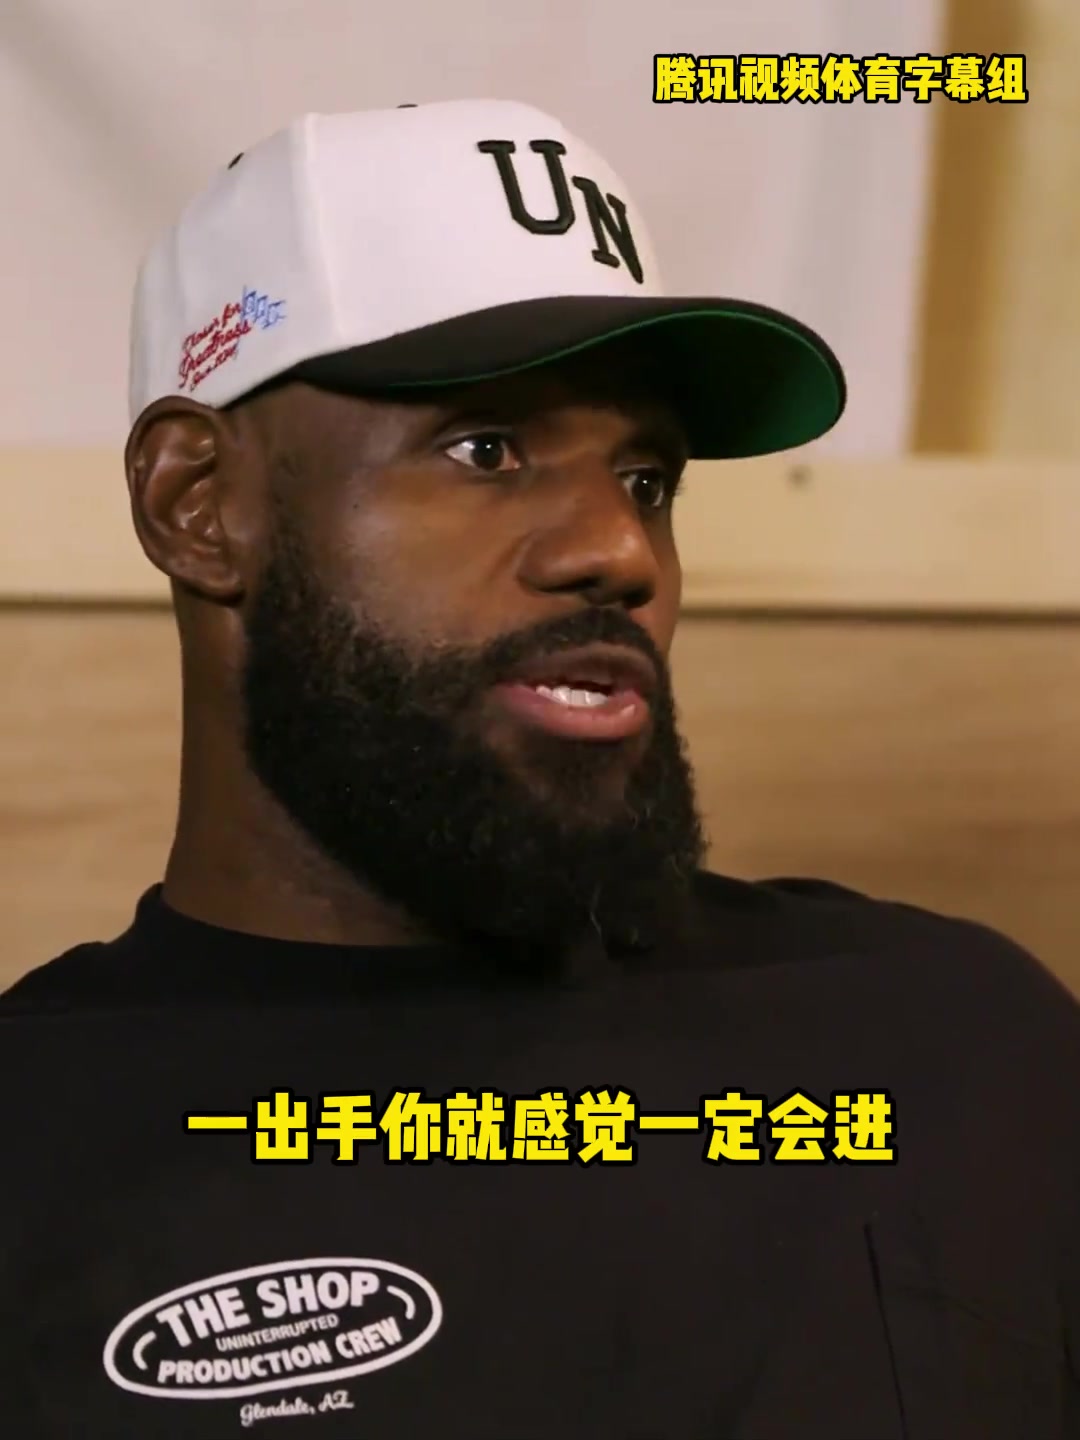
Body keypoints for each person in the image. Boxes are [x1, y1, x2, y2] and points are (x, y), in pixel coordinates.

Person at [1, 98, 1076, 1440]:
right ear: (197, 506)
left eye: (648, 479)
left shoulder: (963, 1047)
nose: (619, 551)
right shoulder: (35, 1157)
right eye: (487, 450)